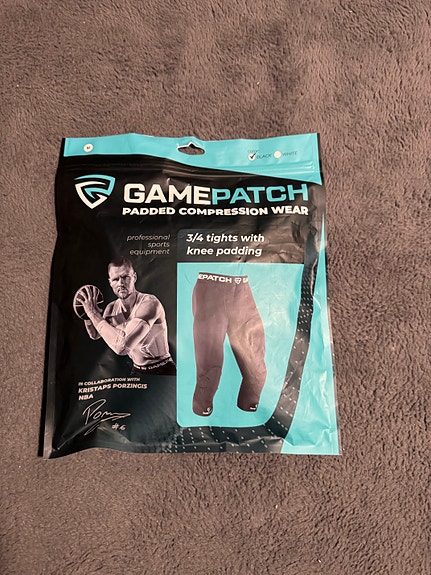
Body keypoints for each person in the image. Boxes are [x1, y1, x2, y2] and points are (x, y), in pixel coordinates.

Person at [75, 257, 176, 375]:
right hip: (137, 370)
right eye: (115, 279)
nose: (121, 283)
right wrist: (87, 315)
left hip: (162, 369)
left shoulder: (150, 304)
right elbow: (95, 334)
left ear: (134, 277)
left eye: (125, 277)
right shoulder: (111, 308)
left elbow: (122, 347)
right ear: (110, 282)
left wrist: (93, 313)